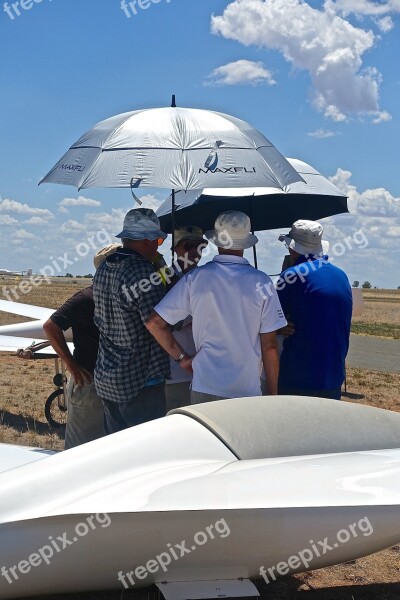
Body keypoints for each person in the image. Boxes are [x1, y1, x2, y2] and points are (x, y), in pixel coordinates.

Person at [146, 211, 287, 403]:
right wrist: (273, 393)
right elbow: (269, 346)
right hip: (246, 388)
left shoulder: (195, 279)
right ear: (245, 242)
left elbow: (154, 323)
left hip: (205, 384)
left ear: (217, 242)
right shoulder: (261, 281)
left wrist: (182, 359)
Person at [93, 208, 170, 434]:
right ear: (146, 240)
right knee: (146, 452)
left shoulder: (104, 267)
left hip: (108, 377)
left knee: (117, 453)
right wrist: (182, 357)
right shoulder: (143, 272)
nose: (157, 245)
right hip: (141, 381)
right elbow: (160, 323)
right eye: (156, 240)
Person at [43, 243, 120, 449]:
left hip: (114, 384)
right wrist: (72, 365)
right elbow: (51, 326)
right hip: (89, 382)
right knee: (80, 448)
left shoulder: (120, 297)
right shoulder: (87, 297)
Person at [276, 219, 352, 400]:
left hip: (298, 377)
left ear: (292, 248)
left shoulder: (291, 276)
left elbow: (268, 321)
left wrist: (280, 326)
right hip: (333, 376)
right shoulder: (341, 275)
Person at [165, 226, 208, 411]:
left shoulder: (207, 277)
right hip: (175, 372)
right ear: (175, 248)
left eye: (199, 246)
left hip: (204, 371)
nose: (193, 251)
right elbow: (163, 323)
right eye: (188, 245)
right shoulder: (161, 279)